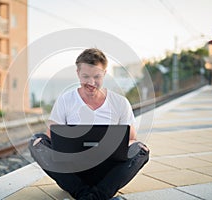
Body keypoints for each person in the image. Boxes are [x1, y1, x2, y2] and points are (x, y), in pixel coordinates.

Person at [29, 48, 149, 200]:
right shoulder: (66, 100)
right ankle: (95, 196)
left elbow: (131, 139)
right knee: (36, 142)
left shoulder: (120, 102)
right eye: (86, 76)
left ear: (104, 74)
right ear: (78, 73)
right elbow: (51, 137)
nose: (91, 83)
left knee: (141, 150)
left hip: (108, 172)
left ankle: (86, 197)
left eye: (97, 77)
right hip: (73, 172)